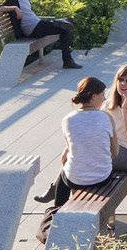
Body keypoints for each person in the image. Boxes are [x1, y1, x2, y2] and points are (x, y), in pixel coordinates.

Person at [35, 75, 119, 238]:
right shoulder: (106, 117)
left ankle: (58, 209)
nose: (104, 99)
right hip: (102, 177)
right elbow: (115, 153)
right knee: (68, 169)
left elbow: (67, 152)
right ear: (93, 96)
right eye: (102, 95)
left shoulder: (67, 119)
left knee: (65, 171)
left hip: (75, 179)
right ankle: (57, 200)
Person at [3, 0, 81, 69]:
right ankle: (67, 61)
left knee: (64, 28)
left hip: (37, 23)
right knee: (64, 28)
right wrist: (15, 8)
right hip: (31, 29)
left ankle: (63, 23)